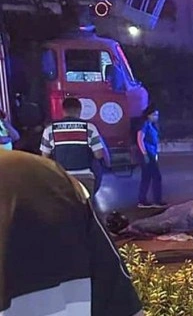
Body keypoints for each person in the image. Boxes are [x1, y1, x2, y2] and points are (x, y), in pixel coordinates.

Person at [0, 150, 144, 316]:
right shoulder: (49, 176)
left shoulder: (45, 163)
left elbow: (45, 152)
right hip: (76, 182)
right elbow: (119, 300)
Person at [40, 98, 111, 199]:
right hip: (85, 178)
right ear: (80, 110)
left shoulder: (49, 129)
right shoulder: (89, 128)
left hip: (61, 178)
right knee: (86, 208)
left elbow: (44, 158)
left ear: (63, 110)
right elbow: (98, 155)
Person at [137, 105, 165, 208]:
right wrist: (144, 154)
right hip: (147, 154)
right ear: (148, 115)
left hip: (152, 154)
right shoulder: (145, 124)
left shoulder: (152, 125)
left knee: (146, 177)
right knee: (156, 177)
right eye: (154, 115)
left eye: (157, 115)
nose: (156, 117)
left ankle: (142, 200)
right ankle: (157, 200)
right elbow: (140, 139)